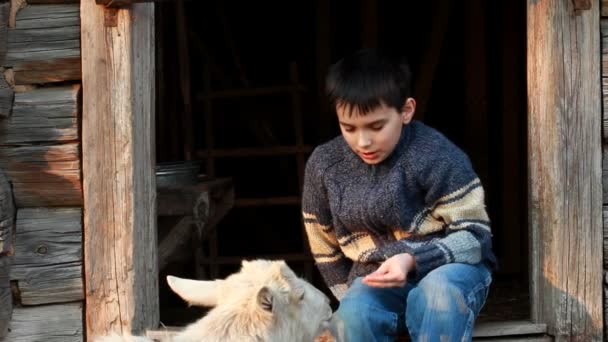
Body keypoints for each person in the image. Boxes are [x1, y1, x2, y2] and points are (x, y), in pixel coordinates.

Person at [301, 48, 496, 342]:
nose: (362, 141)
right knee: (354, 315)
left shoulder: (436, 155)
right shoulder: (324, 165)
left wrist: (412, 260)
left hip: (450, 270)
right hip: (377, 278)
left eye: (376, 126)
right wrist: (352, 298)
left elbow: (475, 237)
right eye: (348, 128)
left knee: (437, 295)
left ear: (406, 111)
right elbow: (324, 247)